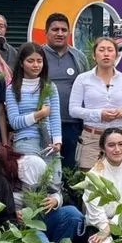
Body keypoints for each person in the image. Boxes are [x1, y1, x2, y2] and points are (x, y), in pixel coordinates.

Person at [69, 36, 122, 170]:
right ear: (94, 55)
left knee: (120, 183)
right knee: (91, 183)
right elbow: (73, 110)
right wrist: (98, 114)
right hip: (92, 138)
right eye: (101, 50)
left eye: (110, 50)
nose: (106, 54)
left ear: (116, 55)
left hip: (119, 139)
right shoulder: (83, 79)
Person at [3, 146, 85, 243]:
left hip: (44, 216)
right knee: (42, 242)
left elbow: (56, 191)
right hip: (25, 225)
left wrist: (55, 200)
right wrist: (13, 214)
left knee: (73, 213)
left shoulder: (30, 165)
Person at [42, 13, 89, 170]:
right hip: (44, 123)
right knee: (46, 166)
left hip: (72, 123)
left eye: (64, 30)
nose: (60, 33)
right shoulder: (38, 55)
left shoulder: (79, 57)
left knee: (70, 167)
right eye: (55, 29)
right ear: (46, 32)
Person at [83, 128, 122, 243]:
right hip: (98, 224)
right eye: (111, 145)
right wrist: (105, 231)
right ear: (103, 148)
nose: (117, 149)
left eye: (121, 144)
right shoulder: (93, 175)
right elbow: (95, 211)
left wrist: (109, 230)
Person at [6, 42, 63, 156]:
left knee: (53, 174)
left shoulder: (49, 86)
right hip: (25, 140)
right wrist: (40, 114)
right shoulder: (12, 89)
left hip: (49, 142)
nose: (36, 65)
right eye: (30, 61)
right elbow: (15, 122)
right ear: (21, 63)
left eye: (39, 61)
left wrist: (57, 142)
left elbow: (55, 118)